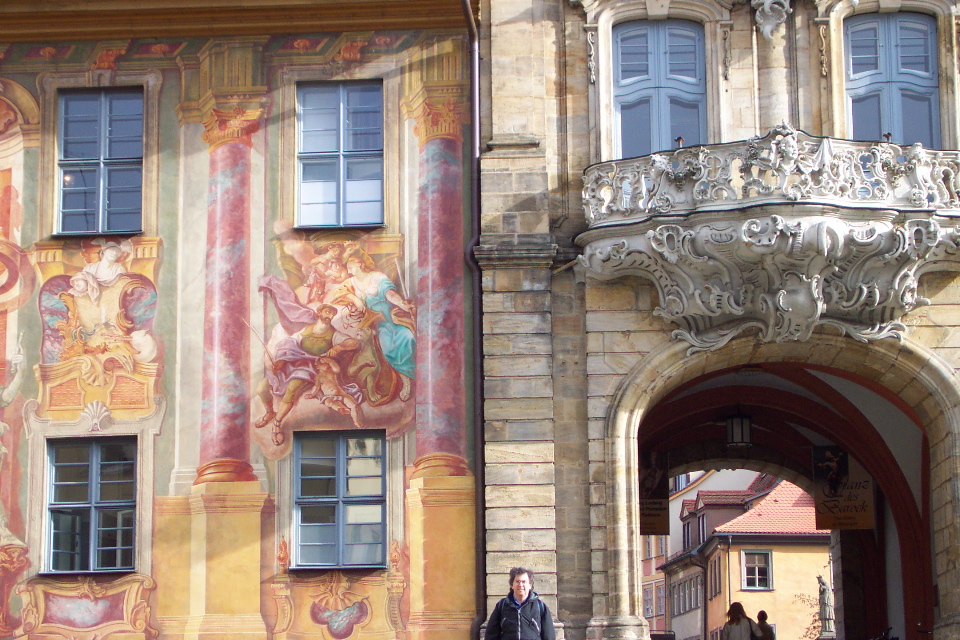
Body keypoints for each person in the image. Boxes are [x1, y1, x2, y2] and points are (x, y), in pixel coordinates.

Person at [484, 567, 555, 640]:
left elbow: (549, 635)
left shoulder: (540, 606)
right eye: (517, 581)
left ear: (530, 585)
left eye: (524, 582)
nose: (520, 585)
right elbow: (491, 634)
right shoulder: (501, 606)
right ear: (512, 585)